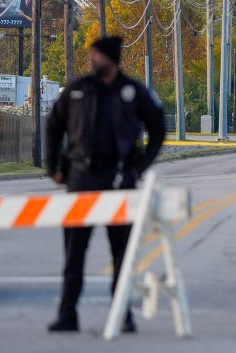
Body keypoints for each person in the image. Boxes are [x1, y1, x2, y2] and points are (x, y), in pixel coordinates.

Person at [44, 36, 165, 333]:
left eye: (96, 55)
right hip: (81, 178)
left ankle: (122, 315)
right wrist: (54, 168)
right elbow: (53, 125)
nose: (91, 60)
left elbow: (158, 129)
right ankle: (67, 314)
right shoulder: (77, 90)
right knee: (74, 253)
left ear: (110, 59)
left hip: (119, 179)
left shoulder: (132, 91)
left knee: (121, 253)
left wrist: (138, 169)